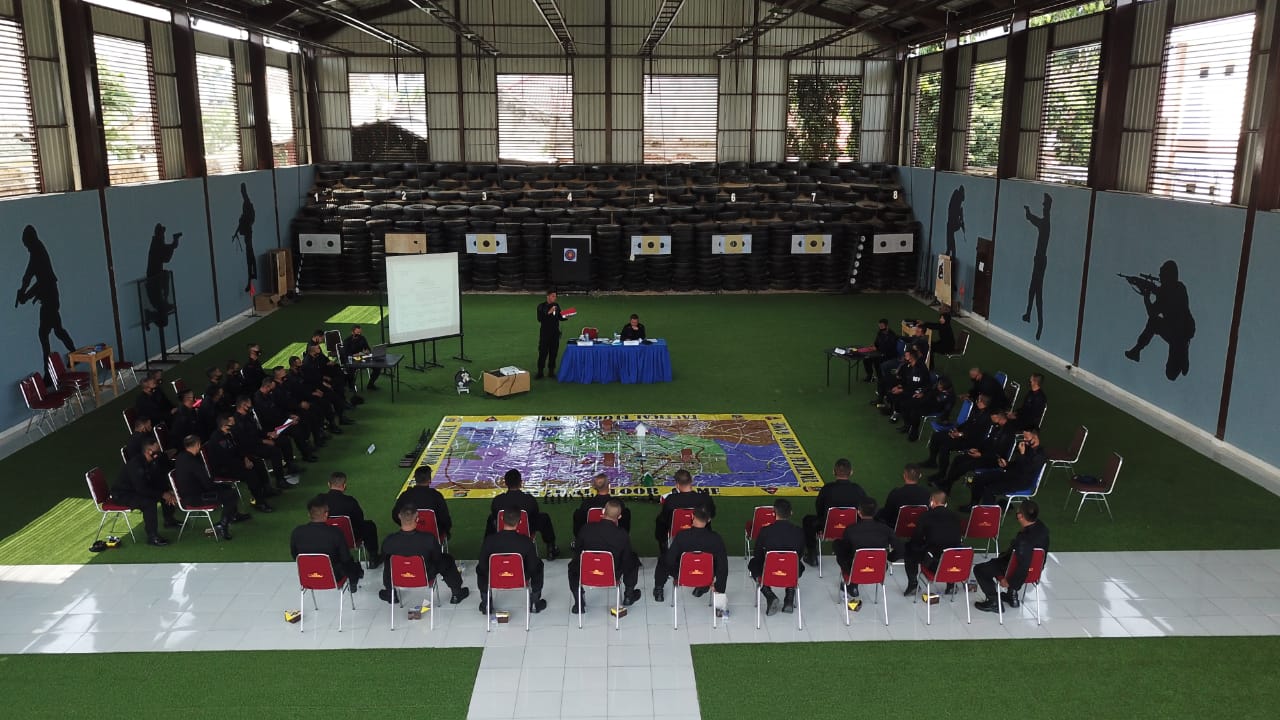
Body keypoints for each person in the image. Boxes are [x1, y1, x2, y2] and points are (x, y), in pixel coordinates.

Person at [15, 225, 76, 384]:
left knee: (45, 333)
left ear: (30, 241)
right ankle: (72, 357)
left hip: (49, 297)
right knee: (56, 331)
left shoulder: (37, 252)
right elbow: (29, 276)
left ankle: (50, 373)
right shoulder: (37, 250)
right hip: (50, 297)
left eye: (27, 245)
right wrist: (24, 292)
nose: (27, 249)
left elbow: (36, 278)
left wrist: (25, 294)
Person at [378, 504, 470, 605]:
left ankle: (390, 594)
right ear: (417, 519)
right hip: (426, 575)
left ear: (400, 517)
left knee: (388, 562)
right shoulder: (428, 539)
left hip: (399, 576)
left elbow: (383, 557)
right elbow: (437, 558)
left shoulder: (389, 540)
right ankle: (456, 593)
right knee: (447, 559)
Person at [1123, 260, 1195, 380]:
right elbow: (1155, 309)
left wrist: (1147, 296)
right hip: (1175, 333)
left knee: (1154, 323)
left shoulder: (1176, 289)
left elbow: (1153, 313)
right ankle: (1137, 351)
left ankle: (1137, 350)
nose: (1160, 276)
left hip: (1180, 334)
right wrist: (1148, 294)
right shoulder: (1170, 290)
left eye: (1162, 274)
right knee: (1170, 374)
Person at [974, 500, 1050, 613]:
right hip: (1035, 571)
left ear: (1021, 516)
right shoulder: (1042, 528)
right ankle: (1012, 596)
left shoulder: (1023, 541)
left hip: (1013, 570)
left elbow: (1023, 565)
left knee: (979, 569)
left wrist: (1010, 582)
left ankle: (994, 602)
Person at [568, 500, 642, 613]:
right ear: (619, 517)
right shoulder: (622, 534)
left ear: (603, 512)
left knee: (572, 567)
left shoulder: (586, 529)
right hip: (612, 574)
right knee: (633, 560)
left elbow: (577, 551)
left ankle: (579, 603)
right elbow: (626, 559)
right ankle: (628, 596)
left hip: (586, 572)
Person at [173, 434, 246, 540]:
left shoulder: (180, 457)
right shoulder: (194, 462)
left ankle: (233, 516)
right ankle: (223, 525)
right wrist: (218, 486)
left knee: (228, 489)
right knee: (231, 494)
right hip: (196, 497)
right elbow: (207, 484)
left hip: (190, 494)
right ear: (198, 445)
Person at [477, 509, 548, 615]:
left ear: (501, 519)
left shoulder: (489, 540)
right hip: (520, 577)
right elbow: (533, 567)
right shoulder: (526, 542)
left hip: (494, 577)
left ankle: (486, 603)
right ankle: (535, 602)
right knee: (538, 565)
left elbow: (482, 565)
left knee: (480, 569)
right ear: (519, 522)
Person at [652, 508, 728, 603]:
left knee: (663, 559)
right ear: (709, 520)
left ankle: (658, 590)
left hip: (682, 574)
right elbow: (723, 565)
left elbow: (669, 560)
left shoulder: (682, 536)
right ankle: (703, 586)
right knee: (717, 562)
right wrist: (719, 587)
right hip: (706, 575)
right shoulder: (716, 538)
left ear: (692, 516)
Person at [110, 437, 176, 546]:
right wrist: (162, 494)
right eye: (156, 450)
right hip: (123, 494)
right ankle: (152, 536)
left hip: (136, 490)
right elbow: (142, 489)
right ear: (149, 451)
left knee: (164, 490)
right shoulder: (136, 465)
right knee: (149, 502)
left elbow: (155, 481)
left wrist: (167, 492)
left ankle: (169, 520)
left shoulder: (151, 461)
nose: (159, 452)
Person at [290, 495, 363, 593]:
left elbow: (295, 555)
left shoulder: (297, 532)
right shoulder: (335, 533)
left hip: (307, 576)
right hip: (334, 576)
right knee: (353, 566)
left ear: (309, 514)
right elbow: (346, 558)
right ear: (326, 514)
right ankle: (353, 581)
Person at [801, 458, 866, 567]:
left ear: (833, 472)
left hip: (828, 528)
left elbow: (819, 509)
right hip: (852, 528)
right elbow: (864, 509)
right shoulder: (858, 490)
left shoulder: (827, 489)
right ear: (851, 472)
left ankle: (812, 555)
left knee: (808, 520)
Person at [963, 427, 1047, 510]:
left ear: (1035, 437)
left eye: (1026, 438)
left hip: (1021, 481)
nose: (1024, 440)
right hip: (1011, 475)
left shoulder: (1040, 454)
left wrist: (1022, 454)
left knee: (990, 489)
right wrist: (1006, 464)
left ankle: (988, 515)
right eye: (1024, 437)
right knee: (980, 478)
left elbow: (1027, 470)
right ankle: (973, 505)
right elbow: (1016, 464)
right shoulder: (1027, 448)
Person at [205, 412, 275, 513]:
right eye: (231, 424)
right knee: (250, 474)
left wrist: (245, 458)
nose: (234, 426)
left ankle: (265, 489)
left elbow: (237, 449)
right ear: (224, 426)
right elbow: (226, 459)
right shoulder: (217, 439)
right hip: (224, 469)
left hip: (235, 462)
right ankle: (259, 502)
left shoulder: (228, 434)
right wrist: (244, 464)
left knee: (258, 462)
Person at [933, 410, 1017, 493]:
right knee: (958, 459)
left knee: (965, 465)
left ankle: (947, 484)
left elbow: (998, 452)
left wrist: (981, 454)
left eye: (993, 418)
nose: (991, 420)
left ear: (999, 417)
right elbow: (988, 441)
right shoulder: (998, 427)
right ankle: (947, 484)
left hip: (994, 460)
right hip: (984, 454)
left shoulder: (1008, 433)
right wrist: (977, 449)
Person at [485, 469, 560, 559]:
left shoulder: (498, 500)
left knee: (491, 519)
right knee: (544, 517)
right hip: (526, 530)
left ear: (506, 483)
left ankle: (487, 549)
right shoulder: (529, 499)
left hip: (504, 531)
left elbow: (494, 516)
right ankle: (551, 549)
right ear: (520, 482)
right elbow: (535, 514)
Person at [749, 498, 806, 615]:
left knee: (753, 563)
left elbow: (757, 554)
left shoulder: (765, 531)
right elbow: (799, 554)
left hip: (769, 571)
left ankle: (769, 595)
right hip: (791, 572)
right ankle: (789, 597)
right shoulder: (799, 532)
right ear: (791, 513)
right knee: (797, 565)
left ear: (774, 513)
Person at [901, 490, 963, 597]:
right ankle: (951, 585)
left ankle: (913, 584)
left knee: (909, 549)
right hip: (954, 563)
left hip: (934, 564)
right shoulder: (956, 516)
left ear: (933, 501)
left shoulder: (926, 516)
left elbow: (916, 538)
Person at [834, 499, 898, 597]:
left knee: (839, 548)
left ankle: (852, 585)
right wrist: (889, 558)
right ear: (876, 512)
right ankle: (853, 585)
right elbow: (899, 549)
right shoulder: (886, 530)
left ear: (859, 512)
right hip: (879, 569)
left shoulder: (851, 530)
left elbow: (844, 552)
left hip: (853, 569)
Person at [921, 393, 994, 479]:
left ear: (983, 403)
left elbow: (976, 433)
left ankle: (942, 473)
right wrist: (957, 429)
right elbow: (968, 422)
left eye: (978, 400)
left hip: (970, 441)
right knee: (936, 436)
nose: (977, 401)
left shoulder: (987, 417)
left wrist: (960, 434)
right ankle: (932, 461)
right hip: (962, 435)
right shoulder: (977, 410)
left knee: (945, 447)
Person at [322, 472, 380, 569]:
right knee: (369, 526)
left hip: (326, 537)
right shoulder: (350, 501)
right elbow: (359, 520)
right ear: (344, 486)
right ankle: (373, 558)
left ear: (329, 484)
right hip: (349, 538)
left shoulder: (320, 500)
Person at [655, 469, 716, 557]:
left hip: (677, 536)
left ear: (677, 484)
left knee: (660, 522)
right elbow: (712, 515)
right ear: (691, 481)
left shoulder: (671, 500)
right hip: (701, 535)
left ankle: (664, 551)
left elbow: (664, 520)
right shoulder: (705, 498)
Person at [391, 466, 452, 539]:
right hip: (433, 537)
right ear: (429, 480)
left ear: (415, 479)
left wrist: (406, 525)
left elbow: (395, 515)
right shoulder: (436, 496)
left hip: (410, 536)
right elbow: (445, 519)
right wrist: (443, 530)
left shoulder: (405, 495)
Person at [1022, 193, 1052, 341]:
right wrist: (1028, 213)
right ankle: (1030, 315)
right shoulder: (1045, 223)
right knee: (1034, 291)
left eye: (1044, 205)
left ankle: (1037, 321)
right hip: (1039, 260)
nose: (1043, 207)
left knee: (1036, 292)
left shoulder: (1045, 223)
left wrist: (1028, 212)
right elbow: (1032, 219)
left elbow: (1033, 219)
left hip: (1040, 261)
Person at [572, 472, 631, 538]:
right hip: (613, 537)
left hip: (591, 538)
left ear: (595, 487)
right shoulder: (618, 503)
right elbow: (624, 527)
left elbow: (579, 526)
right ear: (609, 485)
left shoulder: (587, 503)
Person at [897, 376, 955, 442]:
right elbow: (929, 388)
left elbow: (947, 410)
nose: (938, 386)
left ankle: (914, 432)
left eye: (940, 387)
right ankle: (907, 425)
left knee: (914, 412)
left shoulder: (950, 397)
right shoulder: (938, 385)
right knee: (904, 405)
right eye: (938, 385)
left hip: (932, 408)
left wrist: (944, 418)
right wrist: (922, 393)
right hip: (925, 400)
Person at [535, 289, 569, 379]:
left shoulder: (556, 306)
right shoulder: (541, 306)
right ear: (548, 296)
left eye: (555, 296)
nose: (555, 298)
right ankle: (540, 372)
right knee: (543, 353)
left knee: (553, 353)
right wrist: (549, 312)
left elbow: (560, 317)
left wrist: (567, 315)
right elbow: (540, 319)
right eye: (553, 296)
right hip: (545, 334)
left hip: (555, 334)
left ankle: (551, 372)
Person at [234, 182, 256, 293]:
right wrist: (235, 233)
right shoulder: (246, 206)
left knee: (249, 257)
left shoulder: (247, 204)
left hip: (248, 236)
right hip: (247, 235)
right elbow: (242, 221)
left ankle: (250, 280)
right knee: (249, 257)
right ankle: (250, 280)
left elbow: (247, 220)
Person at [344, 324, 381, 390]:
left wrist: (367, 351)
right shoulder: (347, 341)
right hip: (352, 360)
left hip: (362, 359)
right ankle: (351, 386)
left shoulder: (362, 338)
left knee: (377, 367)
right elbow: (347, 354)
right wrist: (357, 354)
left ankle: (370, 384)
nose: (359, 334)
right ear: (352, 332)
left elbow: (367, 348)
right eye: (357, 333)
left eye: (360, 332)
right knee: (350, 369)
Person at [861, 318, 899, 383]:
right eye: (879, 326)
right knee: (866, 358)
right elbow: (876, 342)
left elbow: (888, 348)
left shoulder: (892, 336)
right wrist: (873, 346)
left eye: (882, 326)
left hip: (888, 355)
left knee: (876, 361)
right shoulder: (880, 333)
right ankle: (870, 376)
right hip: (879, 352)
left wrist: (877, 348)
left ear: (887, 326)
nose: (880, 328)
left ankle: (880, 378)